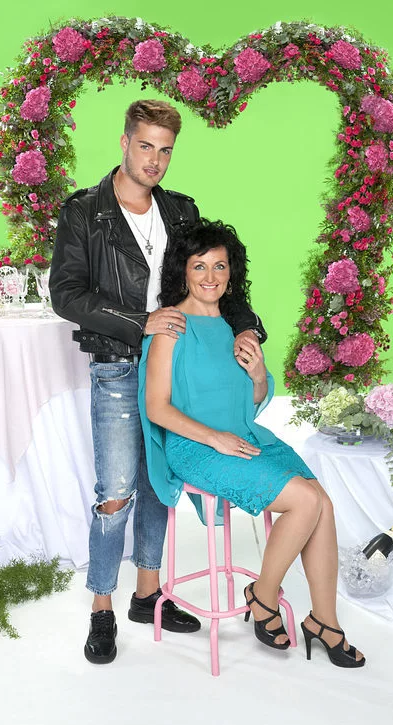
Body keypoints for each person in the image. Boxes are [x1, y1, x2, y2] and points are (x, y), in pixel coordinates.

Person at [49, 100, 267, 664]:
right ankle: (102, 608)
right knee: (116, 489)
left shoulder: (180, 209)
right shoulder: (85, 212)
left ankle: (148, 597)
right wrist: (138, 321)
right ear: (124, 143)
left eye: (165, 150)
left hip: (178, 364)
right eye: (145, 146)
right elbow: (66, 295)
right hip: (120, 364)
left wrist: (247, 327)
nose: (155, 160)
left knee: (157, 482)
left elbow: (215, 275)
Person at [139, 218, 366, 668]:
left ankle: (325, 620)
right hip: (195, 445)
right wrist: (214, 438)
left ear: (231, 272)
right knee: (304, 500)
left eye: (219, 266)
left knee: (321, 503)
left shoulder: (235, 327)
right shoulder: (170, 328)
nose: (210, 277)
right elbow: (157, 408)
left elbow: (252, 398)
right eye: (199, 266)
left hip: (243, 435)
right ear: (182, 271)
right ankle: (263, 596)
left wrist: (259, 374)